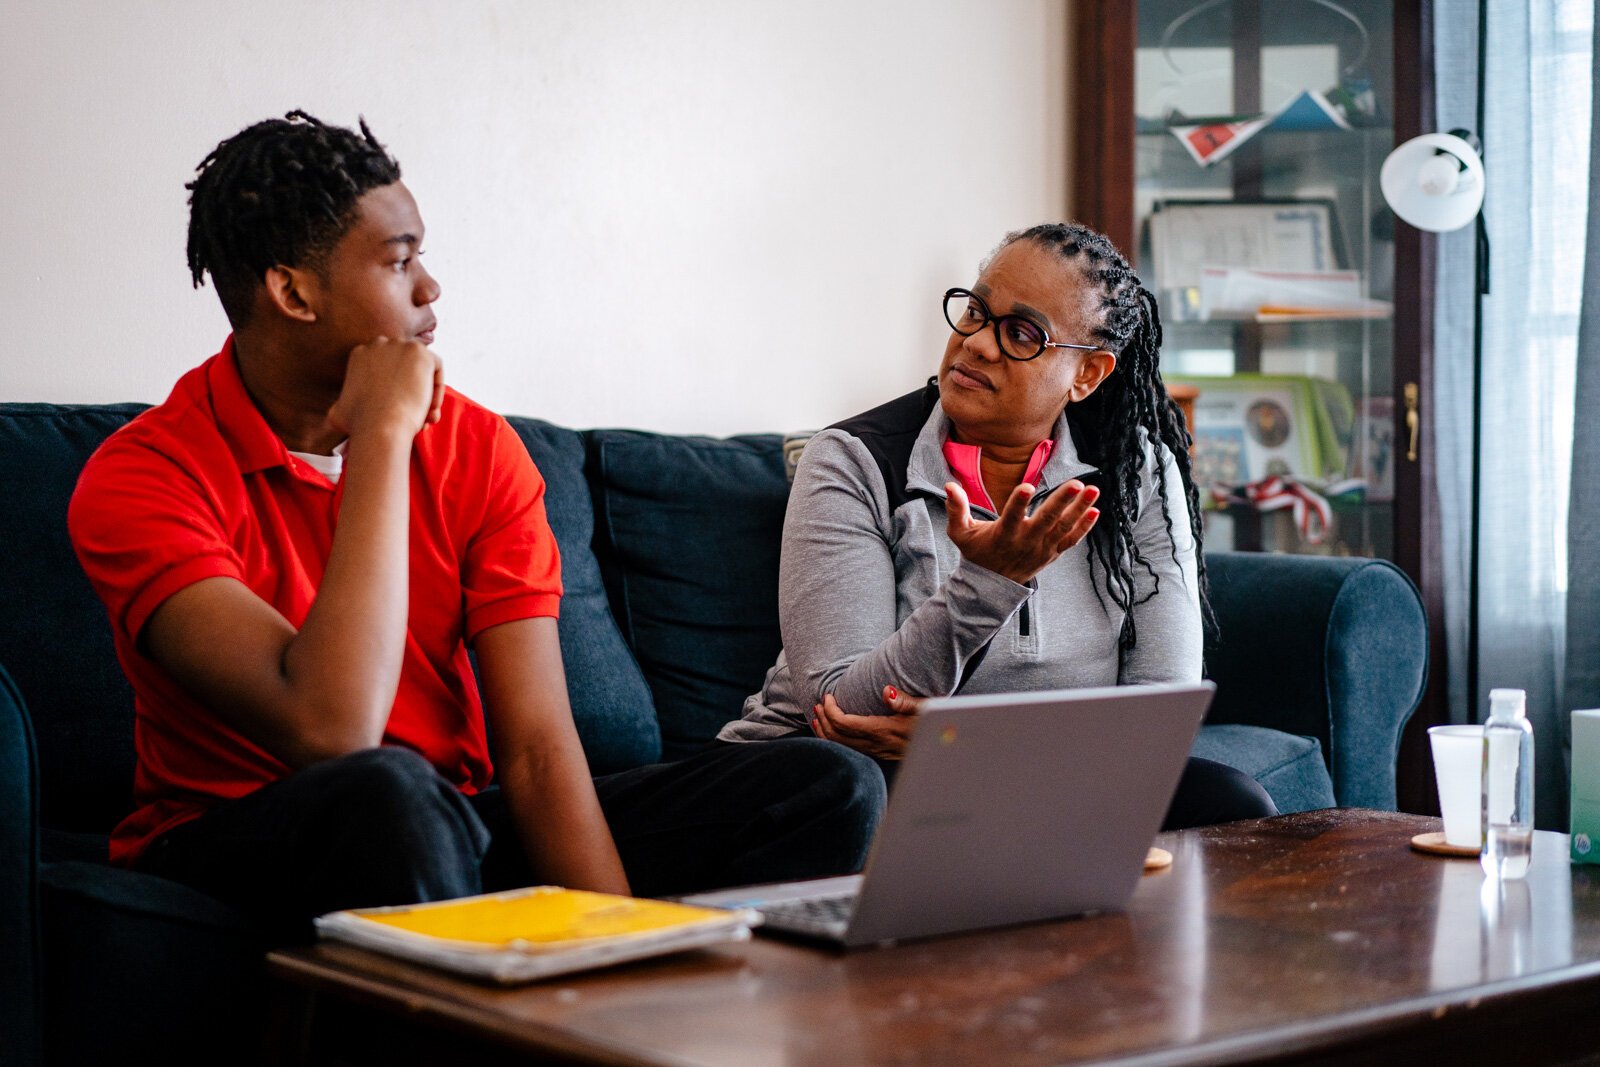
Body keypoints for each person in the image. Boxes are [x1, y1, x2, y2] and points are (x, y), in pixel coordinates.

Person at [68, 111, 883, 937]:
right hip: (237, 843)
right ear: (293, 292)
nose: (430, 287)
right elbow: (332, 725)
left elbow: (535, 750)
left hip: (443, 829)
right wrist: (382, 436)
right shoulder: (144, 475)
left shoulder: (477, 445)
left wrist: (624, 953)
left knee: (827, 784)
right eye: (399, 260)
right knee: (388, 793)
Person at [718, 221, 1276, 829]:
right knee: (850, 788)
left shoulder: (1134, 471)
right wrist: (988, 581)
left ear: (1087, 375)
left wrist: (967, 750)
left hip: (1016, 778)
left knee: (1227, 801)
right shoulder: (853, 459)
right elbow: (843, 709)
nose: (978, 344)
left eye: (1021, 334)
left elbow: (1159, 713)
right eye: (977, 313)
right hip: (824, 778)